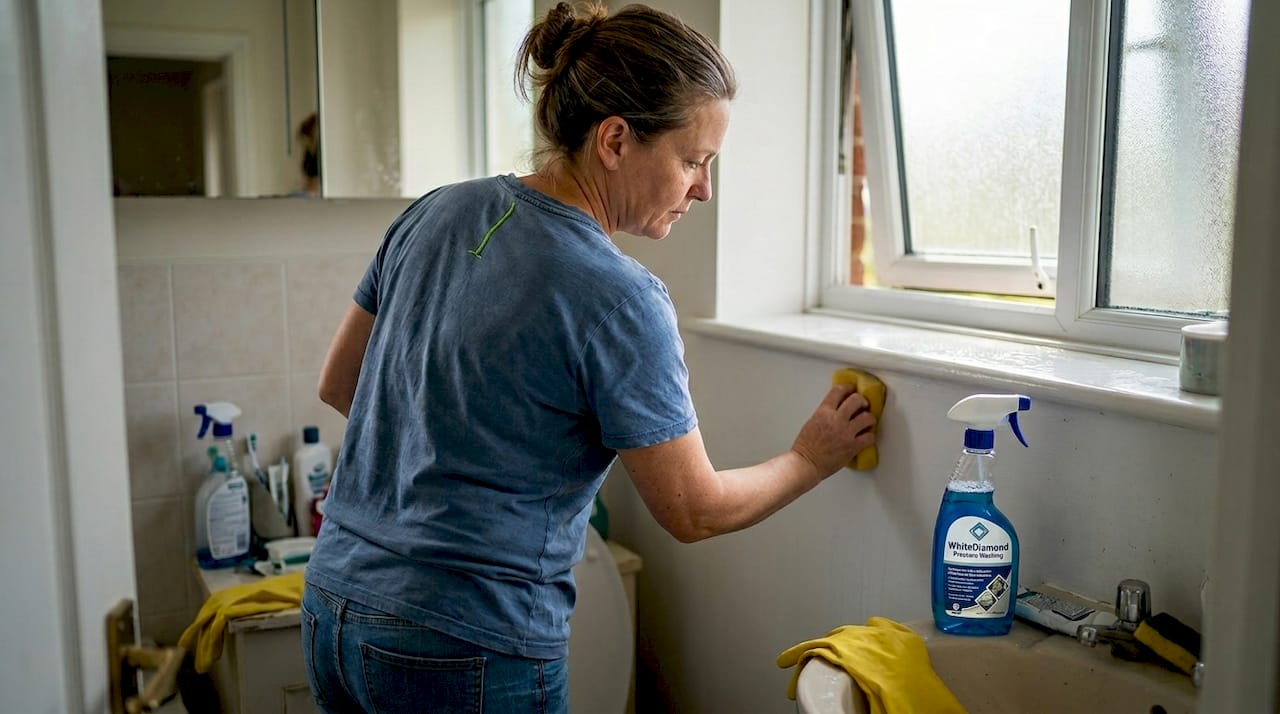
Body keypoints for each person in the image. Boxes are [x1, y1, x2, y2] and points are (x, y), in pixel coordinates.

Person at [301, 3, 878, 712]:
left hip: (333, 609)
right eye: (693, 161)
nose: (703, 188)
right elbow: (692, 511)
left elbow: (340, 383)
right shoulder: (621, 296)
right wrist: (810, 458)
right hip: (468, 644)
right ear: (614, 140)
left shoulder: (436, 211)